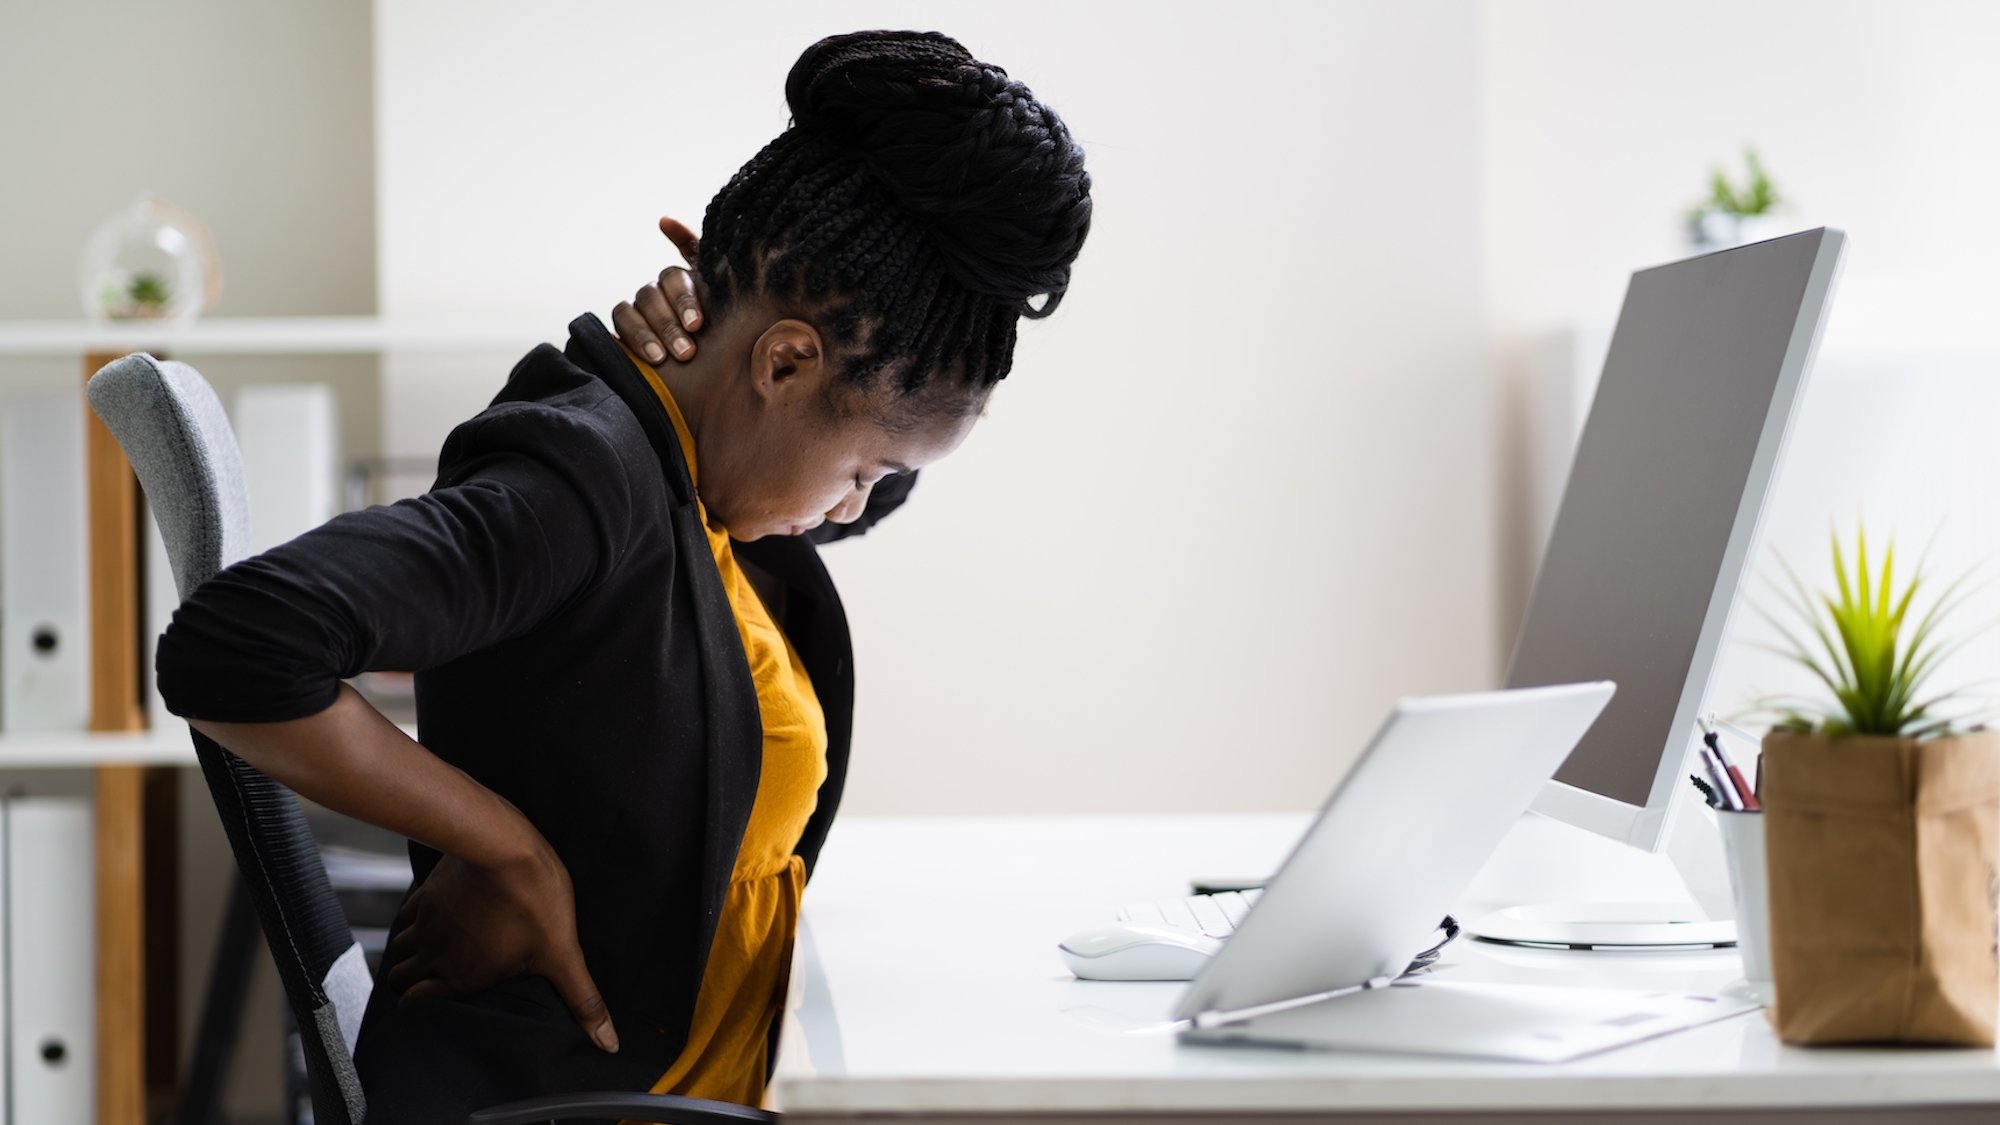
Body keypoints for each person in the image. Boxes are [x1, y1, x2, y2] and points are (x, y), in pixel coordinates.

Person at [154, 29, 1090, 1121]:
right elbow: (237, 642)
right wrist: (508, 854)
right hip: (607, 1101)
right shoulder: (586, 482)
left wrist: (793, 401)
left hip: (715, 1083)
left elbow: (804, 502)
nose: (851, 507)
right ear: (782, 362)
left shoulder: (697, 482)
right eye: (863, 471)